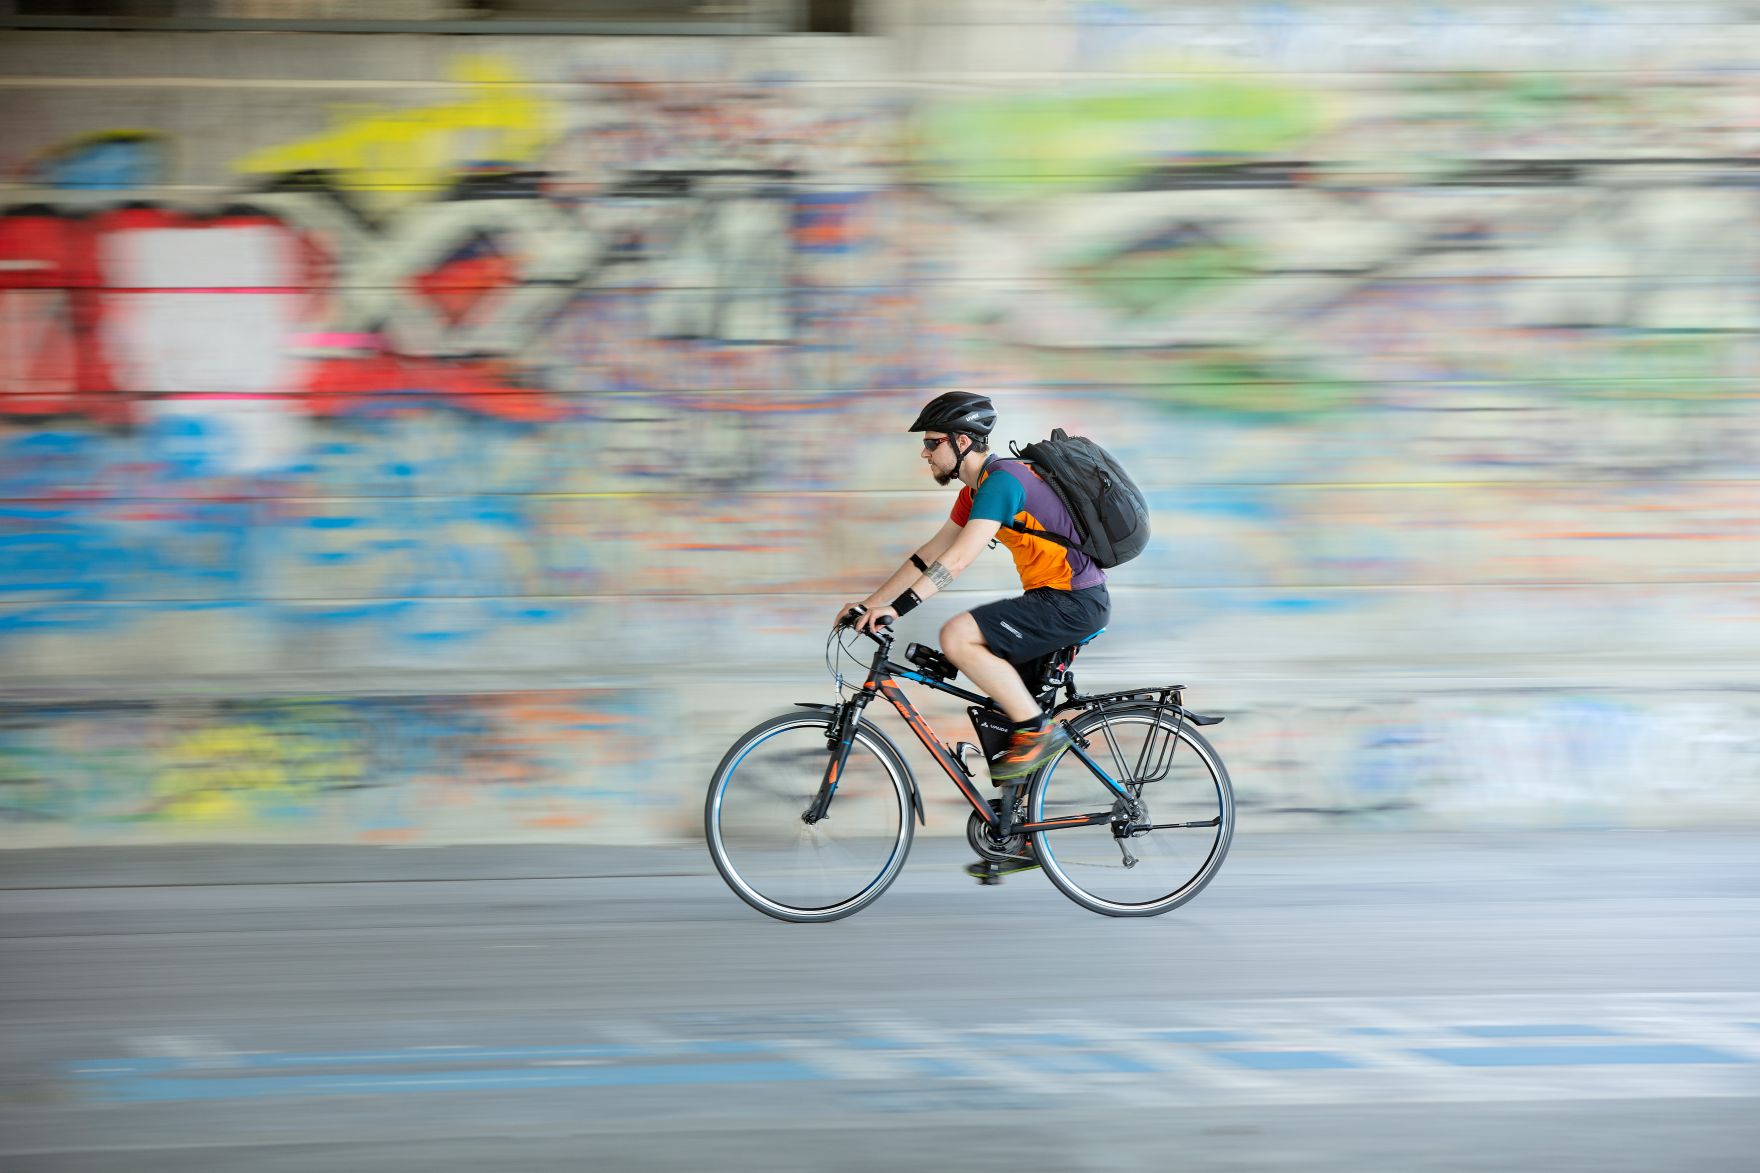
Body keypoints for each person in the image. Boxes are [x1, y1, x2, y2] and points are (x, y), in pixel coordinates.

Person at [834, 392, 1109, 782]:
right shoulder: (975, 491)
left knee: (958, 635)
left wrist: (896, 609)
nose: (925, 453)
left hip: (1072, 601)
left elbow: (958, 559)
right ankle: (1017, 817)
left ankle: (1040, 733)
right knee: (1001, 717)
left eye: (933, 443)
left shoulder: (1003, 482)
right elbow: (928, 555)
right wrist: (869, 604)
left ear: (961, 441)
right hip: (1052, 599)